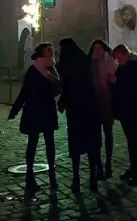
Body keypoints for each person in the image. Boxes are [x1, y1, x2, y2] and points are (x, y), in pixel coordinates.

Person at [8, 42, 61, 192]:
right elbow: (24, 92)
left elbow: (58, 88)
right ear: (41, 53)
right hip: (34, 111)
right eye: (48, 50)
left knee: (50, 143)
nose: (51, 53)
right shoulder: (33, 70)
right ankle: (29, 174)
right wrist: (14, 110)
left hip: (48, 110)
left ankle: (52, 173)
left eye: (52, 50)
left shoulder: (51, 68)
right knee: (33, 142)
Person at [57, 38, 102, 194]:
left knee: (76, 146)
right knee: (91, 145)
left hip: (76, 111)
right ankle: (93, 177)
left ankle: (76, 178)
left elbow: (66, 88)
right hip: (91, 108)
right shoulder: (85, 60)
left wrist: (62, 102)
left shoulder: (66, 65)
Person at [112, 44, 137, 185]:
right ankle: (133, 168)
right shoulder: (122, 67)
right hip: (125, 111)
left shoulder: (135, 67)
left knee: (134, 141)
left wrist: (116, 83)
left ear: (126, 55)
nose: (118, 61)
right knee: (131, 141)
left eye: (119, 57)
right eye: (116, 58)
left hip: (133, 110)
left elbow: (134, 90)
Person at [88, 38, 117, 180]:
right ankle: (98, 165)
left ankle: (108, 163)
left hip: (106, 101)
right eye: (95, 48)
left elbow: (114, 80)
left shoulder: (108, 62)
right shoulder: (89, 63)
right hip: (93, 103)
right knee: (96, 136)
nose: (97, 50)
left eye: (100, 48)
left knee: (108, 132)